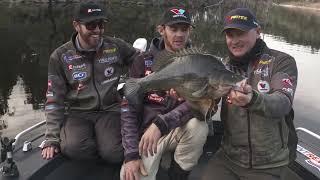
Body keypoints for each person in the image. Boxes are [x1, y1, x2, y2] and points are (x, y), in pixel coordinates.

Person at [202, 8, 298, 180]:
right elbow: (207, 108)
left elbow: (282, 102)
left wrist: (252, 99)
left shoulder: (281, 62)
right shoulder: (222, 68)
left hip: (269, 163)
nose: (235, 40)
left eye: (241, 33)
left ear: (258, 32)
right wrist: (197, 99)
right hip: (229, 158)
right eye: (230, 35)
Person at [41, 1, 137, 165]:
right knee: (72, 148)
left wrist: (138, 83)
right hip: (77, 112)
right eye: (91, 25)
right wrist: (51, 138)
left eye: (101, 24)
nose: (98, 30)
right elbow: (54, 99)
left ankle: (104, 147)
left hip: (110, 109)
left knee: (114, 153)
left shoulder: (116, 46)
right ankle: (97, 147)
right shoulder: (60, 57)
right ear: (76, 25)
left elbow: (139, 60)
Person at [121, 7, 209, 180]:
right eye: (173, 29)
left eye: (184, 29)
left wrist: (163, 121)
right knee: (130, 176)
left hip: (177, 128)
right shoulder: (142, 61)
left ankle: (177, 175)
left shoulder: (198, 63)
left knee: (199, 127)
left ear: (189, 31)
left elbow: (203, 104)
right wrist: (131, 154)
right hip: (147, 134)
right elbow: (128, 111)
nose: (179, 34)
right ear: (161, 30)